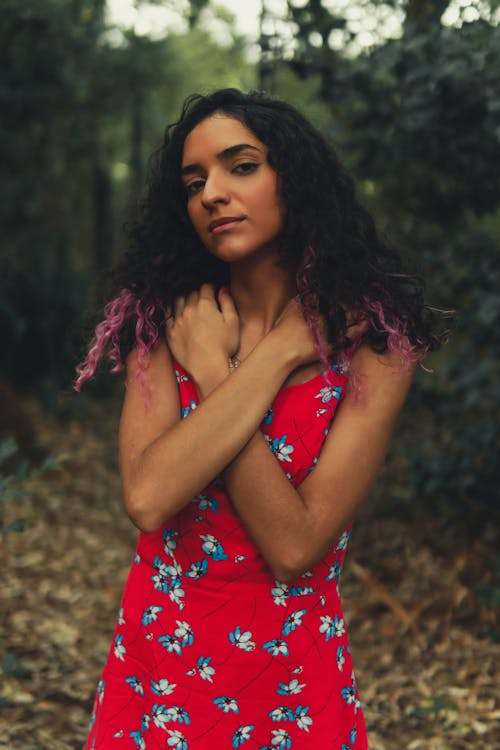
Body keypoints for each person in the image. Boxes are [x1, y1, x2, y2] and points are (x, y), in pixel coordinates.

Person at [76, 88, 442, 749]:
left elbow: (298, 548)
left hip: (293, 679)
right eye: (194, 183)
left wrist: (229, 371)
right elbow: (150, 498)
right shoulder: (164, 320)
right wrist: (261, 364)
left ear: (295, 179)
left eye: (240, 166)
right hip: (164, 662)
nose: (212, 193)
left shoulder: (375, 343)